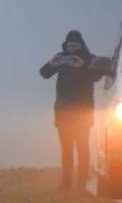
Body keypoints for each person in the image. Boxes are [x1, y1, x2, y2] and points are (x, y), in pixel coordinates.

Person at [40, 30, 109, 191]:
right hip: (63, 110)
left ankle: (82, 183)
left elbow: (98, 76)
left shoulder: (90, 59)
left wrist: (83, 66)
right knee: (66, 148)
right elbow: (44, 73)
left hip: (83, 110)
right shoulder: (61, 58)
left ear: (81, 45)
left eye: (76, 46)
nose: (72, 49)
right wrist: (52, 63)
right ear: (65, 45)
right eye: (70, 46)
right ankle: (66, 183)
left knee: (83, 147)